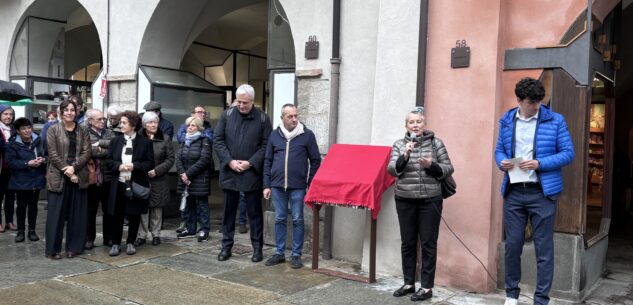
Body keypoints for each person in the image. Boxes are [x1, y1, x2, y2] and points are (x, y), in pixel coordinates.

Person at [495, 77, 574, 305]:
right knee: (513, 246)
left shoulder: (556, 120)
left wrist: (541, 163)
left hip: (543, 192)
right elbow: (499, 150)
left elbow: (568, 153)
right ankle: (511, 296)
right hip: (514, 191)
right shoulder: (507, 120)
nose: (537, 105)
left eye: (540, 100)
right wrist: (502, 162)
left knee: (544, 249)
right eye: (532, 102)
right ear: (519, 100)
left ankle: (541, 300)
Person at [387, 107, 454, 302]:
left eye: (419, 122)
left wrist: (431, 166)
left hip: (430, 200)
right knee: (407, 243)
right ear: (406, 126)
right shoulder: (399, 145)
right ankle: (409, 283)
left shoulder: (436, 143)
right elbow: (392, 169)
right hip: (405, 199)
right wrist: (405, 156)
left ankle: (426, 287)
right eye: (411, 122)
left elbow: (449, 168)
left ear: (424, 125)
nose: (415, 125)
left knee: (428, 244)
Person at [214, 84, 272, 262]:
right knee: (228, 213)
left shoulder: (262, 119)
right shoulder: (227, 115)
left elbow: (266, 146)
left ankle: (257, 249)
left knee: (254, 213)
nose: (241, 105)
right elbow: (218, 140)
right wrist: (230, 161)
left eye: (245, 102)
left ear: (252, 101)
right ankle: (226, 247)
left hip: (251, 172)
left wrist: (250, 163)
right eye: (238, 101)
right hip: (230, 171)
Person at [262, 104, 321, 269]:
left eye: (296, 115)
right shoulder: (274, 135)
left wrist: (310, 182)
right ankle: (279, 253)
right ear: (282, 118)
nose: (294, 119)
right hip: (277, 185)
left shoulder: (307, 135)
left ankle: (296, 255)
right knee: (280, 218)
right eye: (290, 116)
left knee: (297, 219)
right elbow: (267, 160)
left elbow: (316, 160)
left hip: (298, 186)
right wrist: (266, 184)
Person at [45, 99, 91, 259]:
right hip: (59, 176)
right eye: (66, 110)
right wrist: (68, 172)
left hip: (79, 175)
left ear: (76, 112)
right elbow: (53, 155)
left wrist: (74, 168)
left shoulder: (83, 130)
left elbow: (87, 152)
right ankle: (53, 250)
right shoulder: (53, 130)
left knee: (77, 215)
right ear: (61, 112)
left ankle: (74, 247)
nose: (70, 112)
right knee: (55, 215)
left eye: (72, 110)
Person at [107, 111, 154, 256]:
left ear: (133, 125)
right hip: (119, 183)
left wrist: (135, 166)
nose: (121, 125)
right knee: (117, 215)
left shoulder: (145, 142)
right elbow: (108, 161)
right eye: (121, 122)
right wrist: (118, 166)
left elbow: (150, 162)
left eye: (124, 122)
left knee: (134, 214)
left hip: (135, 183)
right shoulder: (115, 141)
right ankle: (115, 243)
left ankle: (130, 242)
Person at [136, 111, 174, 246]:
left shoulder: (165, 138)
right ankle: (141, 235)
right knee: (143, 207)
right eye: (150, 122)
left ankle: (156, 234)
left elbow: (170, 159)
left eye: (156, 122)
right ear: (145, 124)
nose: (153, 125)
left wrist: (157, 171)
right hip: (142, 177)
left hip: (159, 178)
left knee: (157, 207)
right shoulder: (138, 137)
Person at [6, 118, 46, 243]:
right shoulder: (13, 144)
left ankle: (32, 231)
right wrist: (27, 163)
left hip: (36, 178)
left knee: (33, 206)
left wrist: (43, 160)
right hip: (21, 180)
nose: (27, 130)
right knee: (21, 206)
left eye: (29, 127)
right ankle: (21, 231)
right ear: (17, 131)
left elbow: (47, 154)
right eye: (23, 128)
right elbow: (11, 162)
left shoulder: (39, 140)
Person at [175, 105, 213, 235]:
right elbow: (178, 158)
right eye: (188, 125)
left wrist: (188, 174)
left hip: (199, 178)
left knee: (202, 204)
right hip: (186, 178)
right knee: (189, 204)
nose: (189, 128)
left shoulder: (204, 140)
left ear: (199, 127)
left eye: (192, 126)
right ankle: (190, 229)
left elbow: (204, 160)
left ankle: (204, 229)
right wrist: (182, 174)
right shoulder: (184, 141)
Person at [85, 109, 115, 249]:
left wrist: (99, 145)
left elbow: (115, 147)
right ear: (90, 121)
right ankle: (89, 238)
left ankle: (108, 238)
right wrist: (102, 150)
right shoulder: (84, 132)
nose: (102, 121)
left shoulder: (109, 132)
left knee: (108, 209)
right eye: (99, 119)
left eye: (103, 119)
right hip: (92, 177)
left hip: (108, 176)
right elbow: (87, 151)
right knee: (91, 210)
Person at [0, 105, 16, 232]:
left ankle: (9, 221)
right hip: (0, 168)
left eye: (10, 114)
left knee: (10, 196)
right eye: (5, 114)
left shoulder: (14, 129)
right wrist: (7, 146)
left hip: (11, 169)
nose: (8, 116)